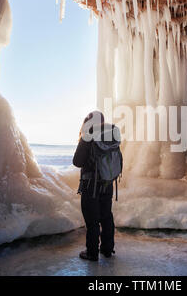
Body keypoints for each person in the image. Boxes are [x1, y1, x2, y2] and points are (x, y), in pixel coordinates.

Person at [73, 111, 121, 262]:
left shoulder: (89, 134)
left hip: (90, 185)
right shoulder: (110, 134)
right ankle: (107, 249)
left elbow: (77, 161)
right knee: (106, 215)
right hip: (107, 183)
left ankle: (92, 252)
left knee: (92, 219)